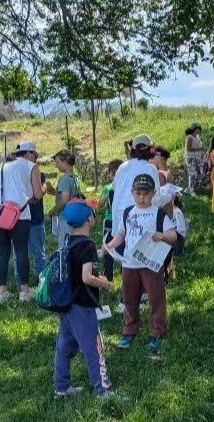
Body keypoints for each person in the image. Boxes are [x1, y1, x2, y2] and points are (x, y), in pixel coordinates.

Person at [106, 174, 176, 355]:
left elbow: (173, 235)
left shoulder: (158, 213)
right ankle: (129, 330)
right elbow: (121, 234)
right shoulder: (128, 212)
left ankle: (157, 331)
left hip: (151, 263)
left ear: (153, 193)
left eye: (145, 194)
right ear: (132, 193)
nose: (141, 198)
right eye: (138, 194)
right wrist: (109, 246)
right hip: (130, 264)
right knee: (129, 298)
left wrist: (162, 236)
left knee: (156, 298)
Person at [53, 200, 114, 398]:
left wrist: (100, 252)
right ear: (89, 218)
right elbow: (87, 276)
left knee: (64, 346)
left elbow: (80, 263)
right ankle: (103, 389)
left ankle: (61, 387)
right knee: (94, 347)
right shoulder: (86, 244)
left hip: (67, 304)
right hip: (83, 305)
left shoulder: (69, 242)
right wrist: (105, 283)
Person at [0, 141, 45, 303]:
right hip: (17, 213)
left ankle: (2, 291)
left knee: (3, 252)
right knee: (20, 251)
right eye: (35, 155)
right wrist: (45, 187)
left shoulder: (2, 166)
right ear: (28, 154)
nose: (36, 158)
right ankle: (25, 291)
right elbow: (38, 194)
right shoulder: (31, 166)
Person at [112, 135, 160, 241]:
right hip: (137, 216)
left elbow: (114, 188)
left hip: (118, 218)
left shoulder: (122, 166)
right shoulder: (150, 168)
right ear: (150, 150)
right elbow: (156, 195)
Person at [47, 150, 81, 249]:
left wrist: (52, 211)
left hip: (65, 218)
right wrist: (54, 191)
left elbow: (64, 200)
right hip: (74, 216)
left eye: (58, 162)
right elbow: (69, 195)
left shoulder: (64, 179)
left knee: (63, 247)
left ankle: (64, 265)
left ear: (65, 163)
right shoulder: (75, 177)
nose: (56, 165)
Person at [97, 159, 122, 283]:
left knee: (107, 247)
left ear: (110, 173)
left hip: (110, 221)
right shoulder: (125, 187)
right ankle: (126, 274)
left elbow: (100, 204)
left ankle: (108, 277)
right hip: (122, 221)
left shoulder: (107, 187)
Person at [183, 122, 204, 196]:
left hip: (197, 158)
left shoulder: (197, 138)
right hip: (191, 158)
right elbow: (188, 149)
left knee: (198, 174)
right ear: (195, 129)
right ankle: (191, 190)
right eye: (199, 129)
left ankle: (188, 189)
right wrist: (200, 149)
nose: (200, 130)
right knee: (193, 174)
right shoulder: (190, 137)